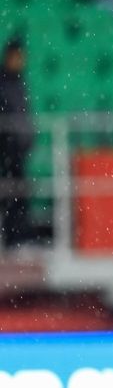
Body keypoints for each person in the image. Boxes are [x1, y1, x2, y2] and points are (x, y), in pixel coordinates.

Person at [0, 39, 35, 250]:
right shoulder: (5, 82)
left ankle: (18, 238)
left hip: (17, 149)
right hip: (7, 148)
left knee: (18, 192)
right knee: (11, 192)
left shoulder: (18, 81)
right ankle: (13, 239)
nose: (21, 61)